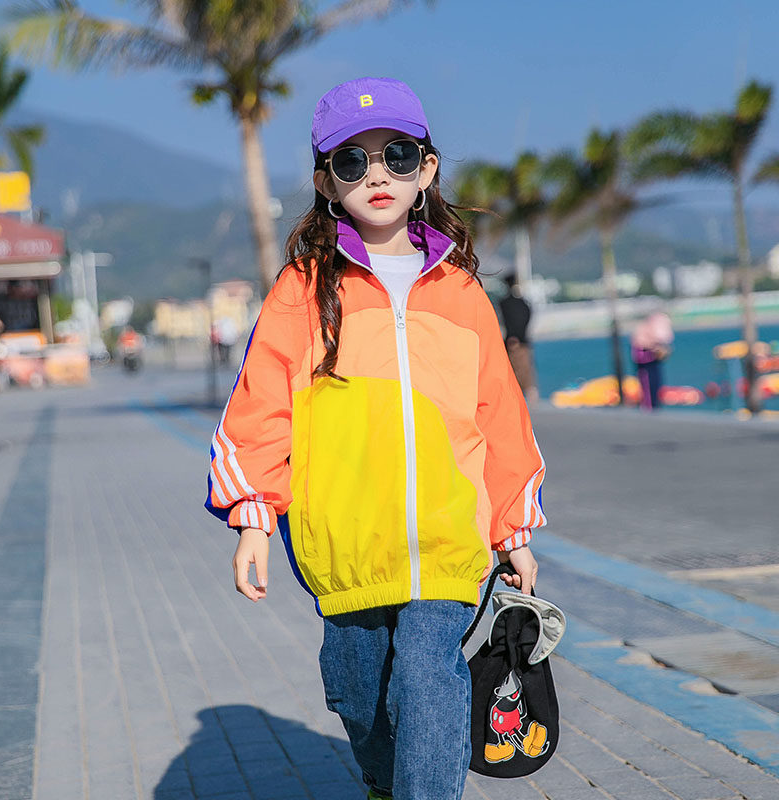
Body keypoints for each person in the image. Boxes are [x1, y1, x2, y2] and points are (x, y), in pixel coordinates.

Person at [205, 77, 547, 800]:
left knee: (428, 681)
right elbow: (262, 406)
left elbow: (499, 413)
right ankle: (385, 783)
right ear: (326, 181)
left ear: (427, 169)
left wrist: (511, 528)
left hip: (448, 540)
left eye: (397, 155)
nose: (377, 175)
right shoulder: (303, 288)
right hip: (346, 544)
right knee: (360, 696)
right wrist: (254, 517)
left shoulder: (460, 291)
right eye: (353, 161)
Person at [499, 272, 538, 404]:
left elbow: (510, 322)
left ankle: (518, 398)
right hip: (523, 341)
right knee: (526, 370)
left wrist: (513, 336)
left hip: (512, 341)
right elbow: (526, 319)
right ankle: (531, 397)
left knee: (515, 371)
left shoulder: (505, 303)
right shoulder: (523, 303)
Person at [631, 310, 674, 410]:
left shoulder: (653, 324)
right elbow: (659, 337)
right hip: (646, 359)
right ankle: (649, 408)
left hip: (652, 359)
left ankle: (653, 407)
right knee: (648, 384)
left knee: (654, 383)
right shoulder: (650, 326)